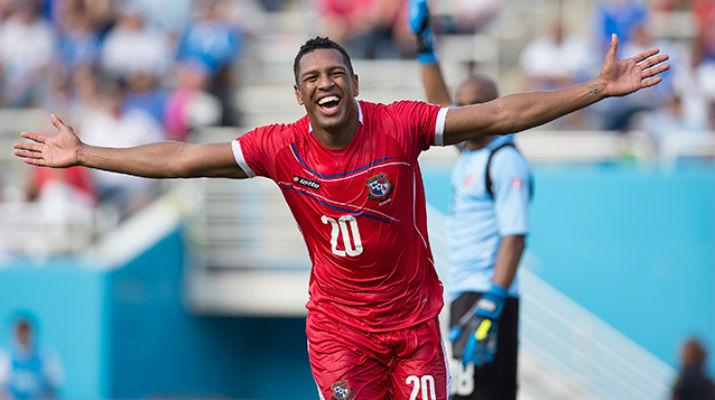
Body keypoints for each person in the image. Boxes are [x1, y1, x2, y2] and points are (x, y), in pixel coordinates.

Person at [13, 30, 669, 398]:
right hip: (340, 332)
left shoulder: (400, 127)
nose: (325, 82)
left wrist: (593, 88)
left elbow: (497, 114)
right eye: (313, 77)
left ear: (354, 84)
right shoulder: (277, 146)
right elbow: (184, 158)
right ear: (297, 94)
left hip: (413, 325)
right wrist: (86, 153)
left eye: (336, 72)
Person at [409, 1, 529, 398]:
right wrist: (425, 47)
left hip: (486, 297)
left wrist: (492, 303)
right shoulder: (471, 152)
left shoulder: (504, 160)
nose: (464, 112)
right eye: (462, 105)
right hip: (465, 292)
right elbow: (439, 108)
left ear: (493, 109)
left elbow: (514, 235)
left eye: (475, 104)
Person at [0, 315, 64, 399]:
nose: (23, 336)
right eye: (19, 332)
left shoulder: (46, 356)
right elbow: (3, 391)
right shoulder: (5, 358)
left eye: (25, 331)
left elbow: (54, 388)